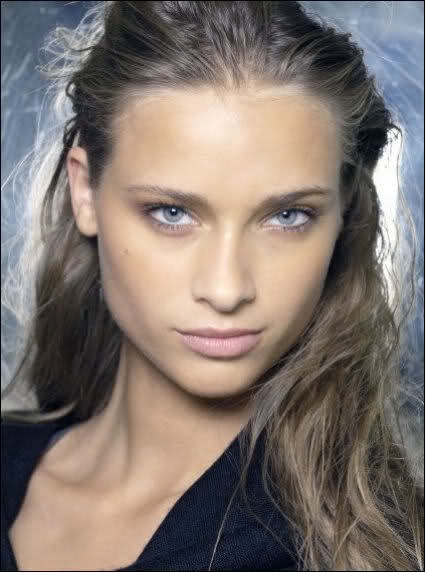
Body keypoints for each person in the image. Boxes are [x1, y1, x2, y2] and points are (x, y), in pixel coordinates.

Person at [1, 2, 423, 571]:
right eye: (172, 213)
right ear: (85, 192)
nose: (226, 290)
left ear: (343, 211)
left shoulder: (364, 549)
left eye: (288, 216)